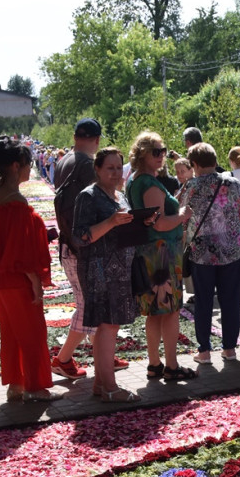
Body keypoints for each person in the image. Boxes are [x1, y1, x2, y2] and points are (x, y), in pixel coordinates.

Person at [0, 135, 60, 402]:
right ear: (16, 165)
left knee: (11, 332)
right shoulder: (15, 201)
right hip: (16, 277)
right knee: (31, 330)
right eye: (27, 163)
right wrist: (35, 282)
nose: (30, 168)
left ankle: (16, 384)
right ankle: (35, 387)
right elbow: (20, 252)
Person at [71, 146, 141, 402]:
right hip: (99, 270)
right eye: (109, 168)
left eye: (117, 168)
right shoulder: (88, 196)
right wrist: (111, 222)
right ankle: (110, 386)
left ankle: (101, 385)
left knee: (107, 327)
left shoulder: (120, 196)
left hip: (120, 269)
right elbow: (80, 236)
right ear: (98, 169)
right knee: (107, 325)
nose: (114, 173)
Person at [126, 131, 195, 381]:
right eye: (156, 151)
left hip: (152, 253)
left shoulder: (137, 180)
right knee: (170, 311)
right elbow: (159, 223)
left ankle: (155, 364)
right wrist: (183, 215)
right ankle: (171, 366)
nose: (161, 156)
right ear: (142, 154)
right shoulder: (147, 182)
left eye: (163, 150)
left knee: (155, 313)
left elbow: (151, 217)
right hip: (162, 253)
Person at [177, 142, 240, 364]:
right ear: (215, 161)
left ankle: (204, 351)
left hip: (202, 253)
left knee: (204, 301)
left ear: (194, 164)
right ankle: (229, 349)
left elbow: (181, 215)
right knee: (230, 300)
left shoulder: (191, 186)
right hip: (231, 250)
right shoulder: (233, 183)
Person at [51, 117, 104, 381]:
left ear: (75, 136)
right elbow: (95, 206)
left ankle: (103, 354)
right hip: (82, 245)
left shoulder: (64, 160)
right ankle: (62, 359)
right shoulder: (87, 165)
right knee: (87, 305)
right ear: (96, 140)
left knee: (89, 302)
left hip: (68, 242)